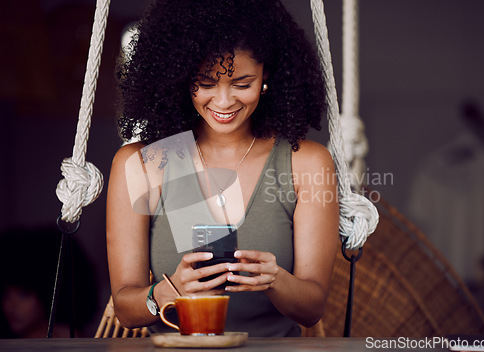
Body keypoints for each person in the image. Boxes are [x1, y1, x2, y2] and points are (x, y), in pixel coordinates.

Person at [107, 0, 339, 337]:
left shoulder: (306, 163)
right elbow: (126, 309)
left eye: (242, 84)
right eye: (206, 83)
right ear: (181, 77)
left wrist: (275, 280)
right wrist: (171, 290)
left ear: (267, 76)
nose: (224, 101)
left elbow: (312, 309)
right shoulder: (142, 165)